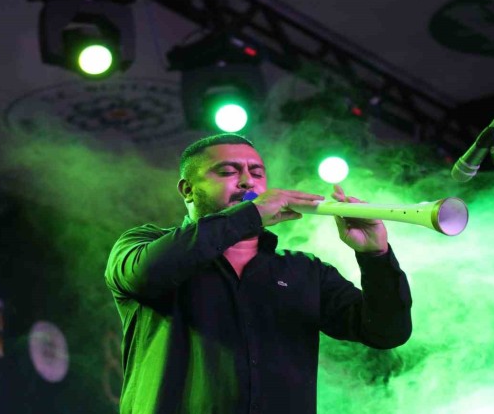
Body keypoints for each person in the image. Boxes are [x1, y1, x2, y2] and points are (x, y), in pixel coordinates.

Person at [105, 133, 412, 414]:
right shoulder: (142, 244)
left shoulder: (305, 271)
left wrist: (376, 256)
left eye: (256, 173)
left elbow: (387, 332)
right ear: (188, 189)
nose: (247, 182)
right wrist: (250, 213)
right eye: (228, 171)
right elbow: (148, 274)